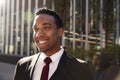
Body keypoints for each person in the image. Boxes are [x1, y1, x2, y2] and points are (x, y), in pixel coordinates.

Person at [13, 7, 94, 80]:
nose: (39, 34)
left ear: (60, 32)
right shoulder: (23, 65)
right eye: (36, 29)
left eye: (46, 28)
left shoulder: (81, 68)